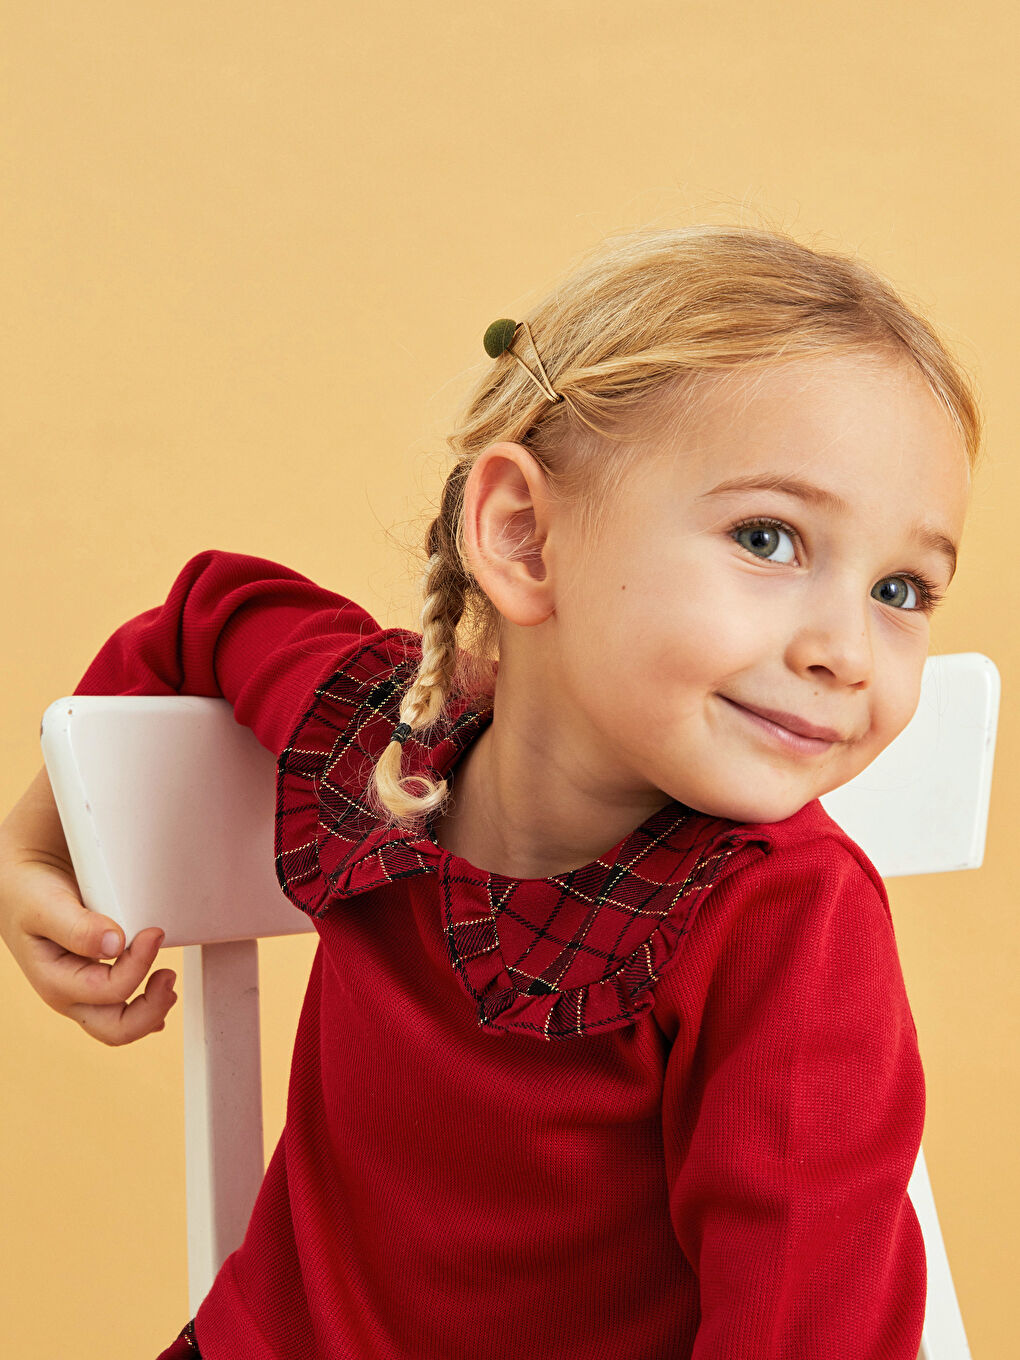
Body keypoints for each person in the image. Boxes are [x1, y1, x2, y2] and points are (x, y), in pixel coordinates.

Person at [0, 224, 979, 1359]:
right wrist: (40, 836)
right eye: (769, 537)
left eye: (903, 587)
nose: (848, 651)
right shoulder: (377, 737)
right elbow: (209, 614)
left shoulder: (787, 921)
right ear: (522, 536)